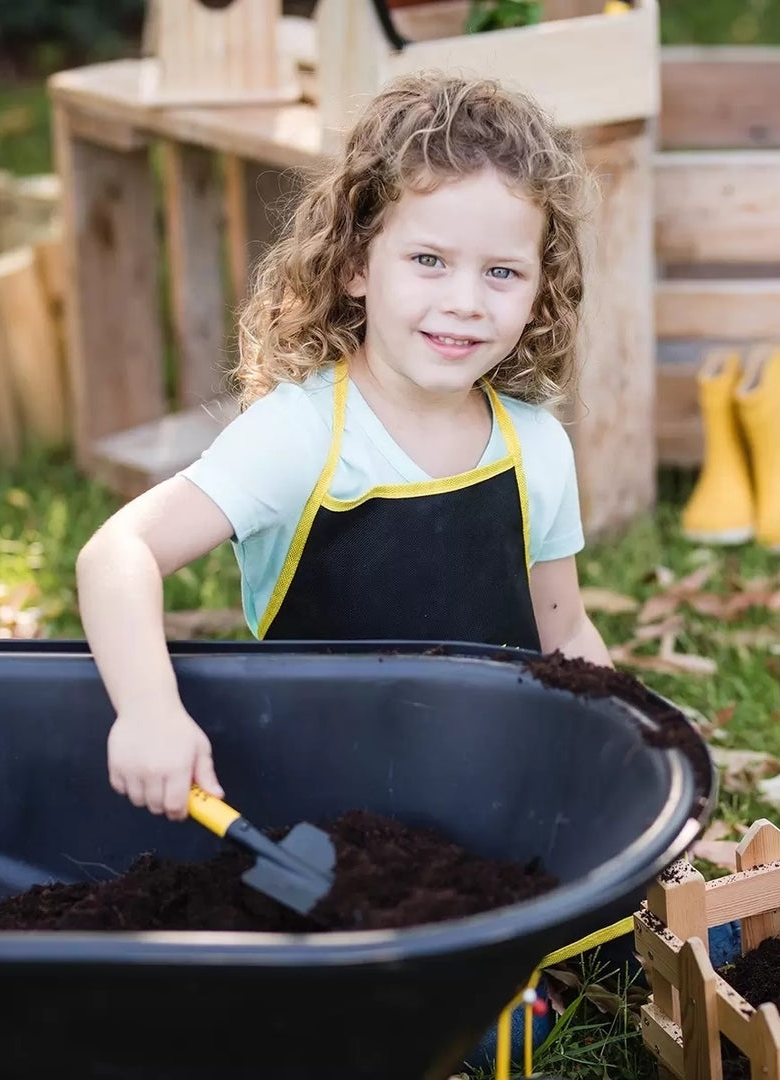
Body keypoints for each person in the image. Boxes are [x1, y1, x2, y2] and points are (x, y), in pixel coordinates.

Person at [76, 71, 613, 823]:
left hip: (490, 796)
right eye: (429, 260)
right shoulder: (302, 436)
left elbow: (565, 633)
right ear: (358, 265)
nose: (464, 299)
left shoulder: (536, 447)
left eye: (501, 272)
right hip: (323, 805)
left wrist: (629, 751)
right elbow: (116, 554)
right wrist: (149, 714)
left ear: (539, 292)